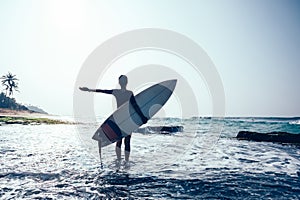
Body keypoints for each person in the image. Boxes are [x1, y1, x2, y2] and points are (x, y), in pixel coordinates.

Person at [79, 75, 147, 162]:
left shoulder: (118, 92)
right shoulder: (128, 93)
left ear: (120, 82)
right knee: (127, 141)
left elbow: (103, 91)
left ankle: (119, 160)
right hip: (128, 120)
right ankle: (126, 161)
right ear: (126, 82)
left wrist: (89, 90)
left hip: (119, 119)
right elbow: (136, 107)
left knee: (120, 140)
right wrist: (143, 117)